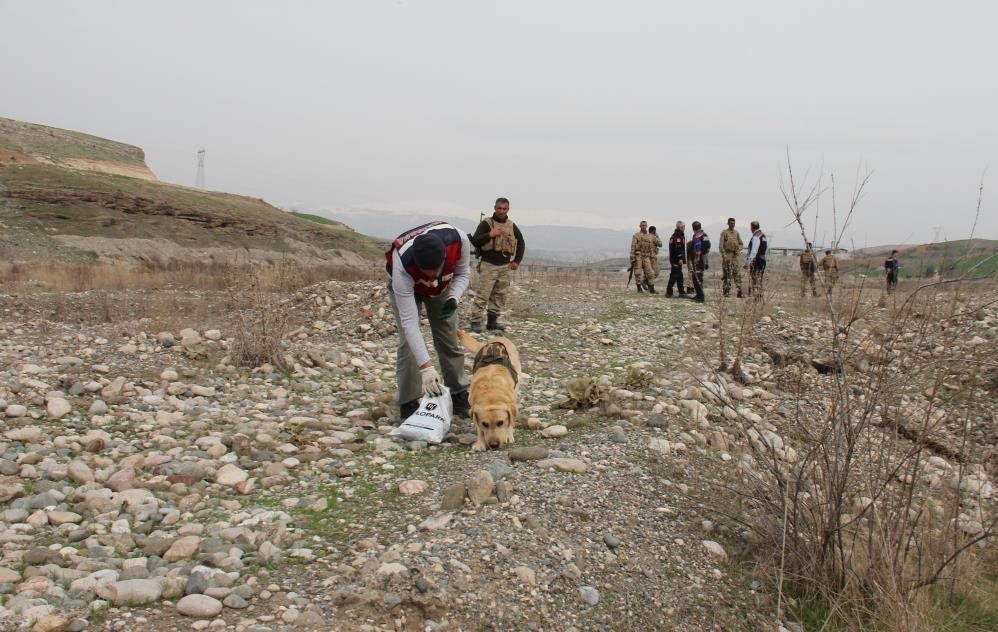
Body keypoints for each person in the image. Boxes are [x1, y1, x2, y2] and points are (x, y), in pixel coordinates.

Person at [386, 221, 471, 422]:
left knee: (448, 336)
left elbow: (463, 273)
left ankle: (458, 392)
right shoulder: (402, 265)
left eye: (434, 269)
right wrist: (426, 368)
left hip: (442, 290)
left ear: (444, 257)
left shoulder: (459, 242)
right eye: (425, 270)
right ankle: (409, 402)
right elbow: (410, 323)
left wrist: (454, 298)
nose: (431, 276)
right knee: (407, 344)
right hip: (408, 289)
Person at [469, 197, 525, 332]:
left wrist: (517, 261)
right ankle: (476, 321)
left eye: (504, 209)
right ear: (495, 208)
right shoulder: (486, 224)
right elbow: (475, 241)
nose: (501, 211)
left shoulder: (511, 225)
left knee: (500, 295)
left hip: (505, 266)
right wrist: (490, 234)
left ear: (508, 210)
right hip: (488, 265)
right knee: (483, 294)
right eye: (499, 208)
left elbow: (521, 243)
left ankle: (492, 322)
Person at [719, 217, 745, 298]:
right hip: (727, 255)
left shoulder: (736, 233)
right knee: (727, 274)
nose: (732, 225)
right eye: (731, 223)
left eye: (733, 223)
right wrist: (724, 256)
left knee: (737, 274)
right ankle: (726, 292)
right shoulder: (724, 233)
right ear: (728, 223)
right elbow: (721, 246)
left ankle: (739, 292)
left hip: (734, 256)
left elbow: (741, 244)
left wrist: (739, 250)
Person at [629, 220, 658, 293]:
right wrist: (632, 257)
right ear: (640, 226)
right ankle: (639, 288)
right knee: (638, 272)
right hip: (638, 255)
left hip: (646, 256)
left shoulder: (649, 236)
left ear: (647, 226)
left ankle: (651, 288)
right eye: (642, 225)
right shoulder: (636, 235)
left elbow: (651, 247)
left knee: (650, 272)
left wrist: (652, 256)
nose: (644, 227)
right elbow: (633, 246)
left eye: (645, 225)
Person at [685, 220, 710, 303]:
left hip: (698, 258)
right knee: (699, 277)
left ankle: (700, 296)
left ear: (693, 228)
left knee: (697, 277)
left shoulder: (697, 236)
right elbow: (708, 246)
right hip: (704, 257)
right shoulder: (705, 235)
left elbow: (698, 247)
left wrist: (697, 257)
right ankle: (699, 294)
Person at [665, 221, 687, 297]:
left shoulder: (679, 235)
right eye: (683, 227)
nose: (684, 228)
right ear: (680, 227)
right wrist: (680, 258)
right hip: (676, 259)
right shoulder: (677, 236)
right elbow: (678, 248)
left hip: (676, 259)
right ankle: (669, 292)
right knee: (674, 275)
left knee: (679, 276)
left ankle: (681, 292)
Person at [746, 220, 767, 298]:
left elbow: (754, 251)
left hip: (757, 261)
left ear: (752, 228)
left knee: (755, 279)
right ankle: (759, 296)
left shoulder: (756, 237)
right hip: (762, 260)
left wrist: (749, 262)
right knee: (759, 279)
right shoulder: (763, 236)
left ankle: (755, 296)